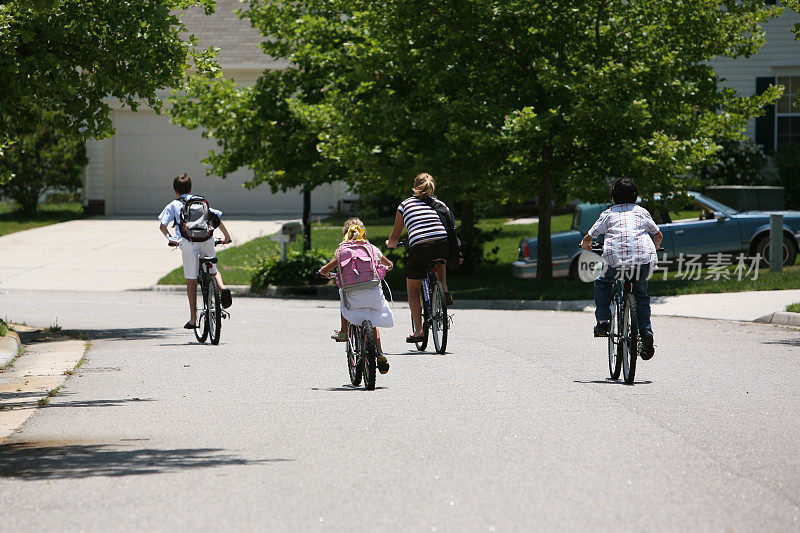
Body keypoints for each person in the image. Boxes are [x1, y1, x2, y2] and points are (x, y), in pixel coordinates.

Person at [580, 178, 663, 359]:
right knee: (640, 295)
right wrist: (655, 247)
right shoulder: (642, 212)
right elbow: (658, 234)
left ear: (613, 198)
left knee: (603, 282)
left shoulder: (608, 214)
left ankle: (603, 322)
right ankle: (646, 332)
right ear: (636, 197)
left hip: (615, 259)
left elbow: (590, 236)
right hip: (643, 259)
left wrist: (586, 245)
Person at [318, 218, 394, 374]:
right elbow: (389, 264)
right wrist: (386, 267)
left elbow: (326, 269)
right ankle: (379, 353)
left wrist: (322, 273)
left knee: (343, 295)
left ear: (345, 234)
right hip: (373, 294)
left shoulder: (342, 250)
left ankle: (344, 331)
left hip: (353, 296)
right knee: (373, 322)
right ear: (363, 232)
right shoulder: (371, 248)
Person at [157, 173, 232, 329]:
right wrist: (226, 236)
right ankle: (222, 288)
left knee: (191, 279)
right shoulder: (200, 201)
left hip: (188, 243)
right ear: (191, 189)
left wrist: (171, 239)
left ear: (175, 191)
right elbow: (216, 219)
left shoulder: (174, 205)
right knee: (212, 268)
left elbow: (162, 226)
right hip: (207, 240)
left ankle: (192, 319)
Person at [385, 172, 453, 344]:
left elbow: (395, 236)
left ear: (415, 186)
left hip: (420, 247)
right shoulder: (440, 204)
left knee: (413, 290)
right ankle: (444, 288)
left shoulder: (405, 204)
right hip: (443, 241)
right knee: (439, 257)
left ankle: (419, 330)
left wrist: (391, 243)